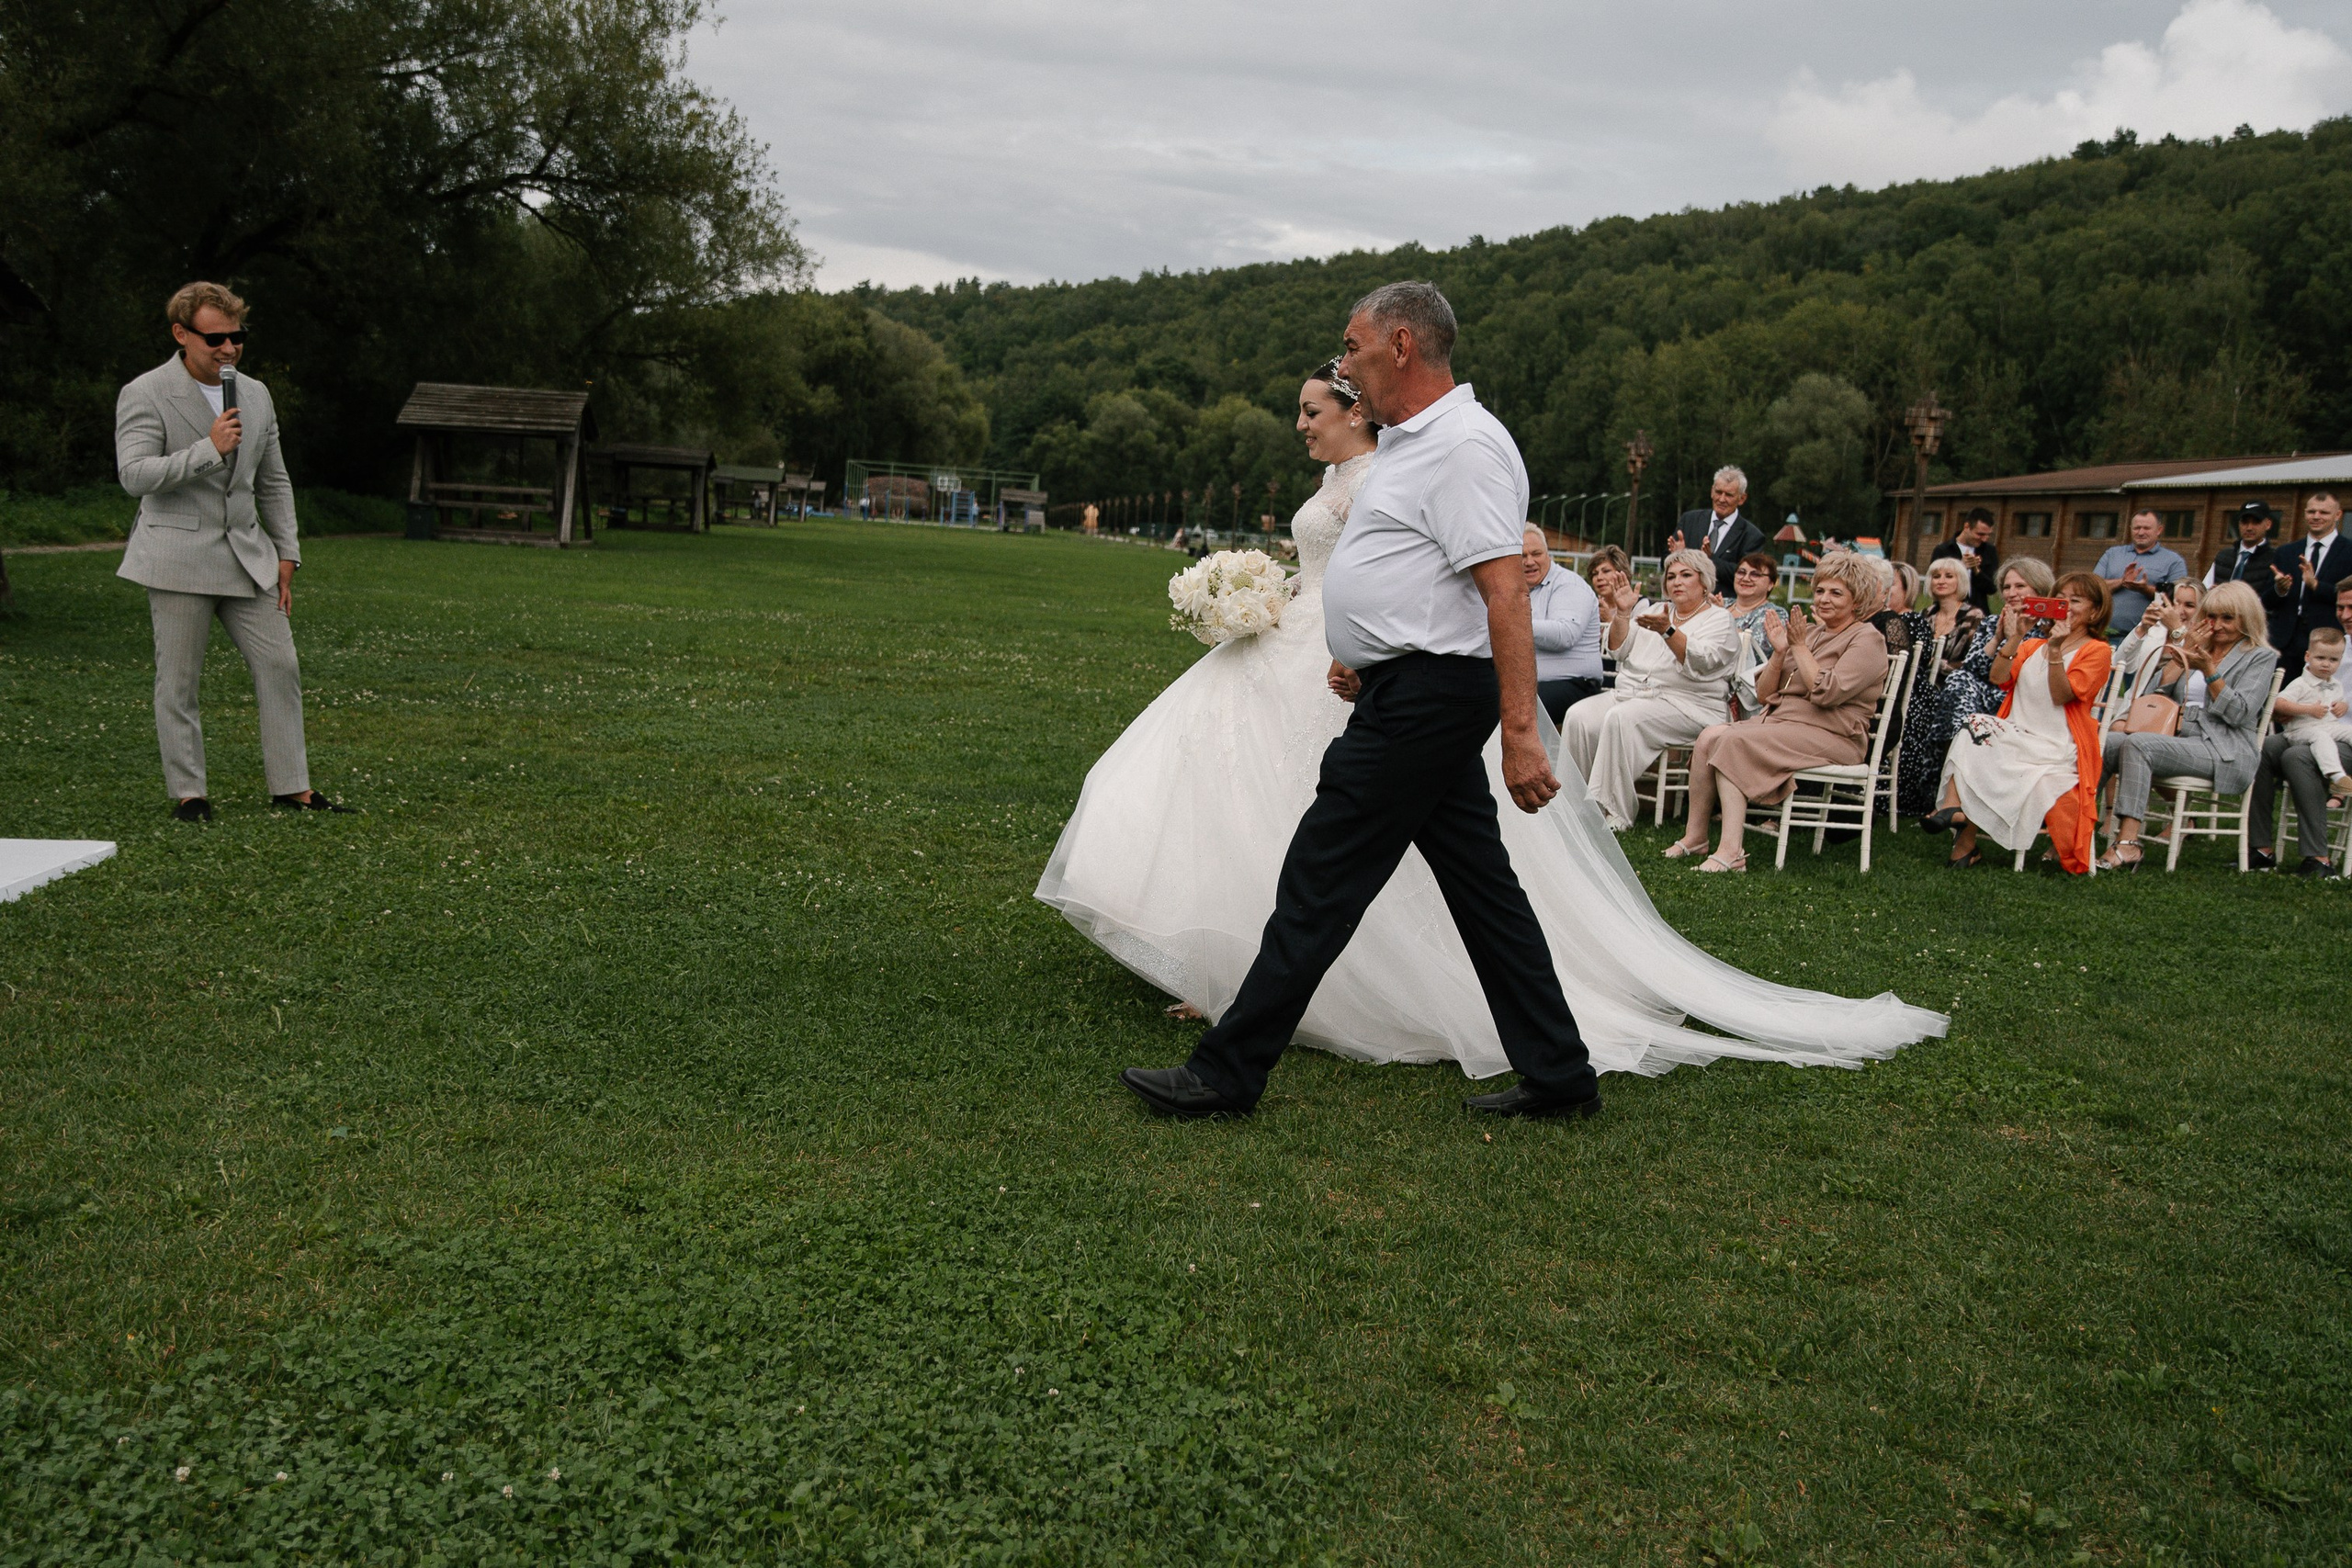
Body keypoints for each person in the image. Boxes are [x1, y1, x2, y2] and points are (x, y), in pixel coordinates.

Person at [1047, 288, 1944, 1122]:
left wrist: (1521, 732)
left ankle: (1226, 1070)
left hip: (1433, 696)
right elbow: (1415, 573)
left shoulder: (1469, 445)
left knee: (1320, 876)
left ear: (1402, 345)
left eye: (1354, 349)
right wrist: (1363, 648)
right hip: (1402, 683)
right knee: (1485, 893)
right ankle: (1559, 1073)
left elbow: (1501, 592)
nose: (1345, 365)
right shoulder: (1412, 443)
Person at [114, 281, 346, 820]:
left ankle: (292, 787)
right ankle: (189, 795)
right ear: (181, 333)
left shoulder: (257, 392)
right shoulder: (145, 392)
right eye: (215, 338)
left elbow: (275, 480)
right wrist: (207, 449)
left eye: (236, 337)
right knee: (179, 681)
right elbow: (134, 475)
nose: (229, 349)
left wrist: (287, 551)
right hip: (176, 558)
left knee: (280, 664)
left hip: (249, 556)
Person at [1666, 552, 1891, 873]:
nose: (1824, 599)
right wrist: (1781, 651)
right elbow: (1764, 693)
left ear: (1858, 600)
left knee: (1733, 740)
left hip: (1835, 734)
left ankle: (1731, 851)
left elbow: (1826, 693)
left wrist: (1797, 647)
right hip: (1785, 722)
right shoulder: (1811, 632)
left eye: (1836, 593)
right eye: (1820, 591)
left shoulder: (1868, 640)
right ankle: (1696, 836)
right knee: (1708, 737)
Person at [1925, 574, 2113, 873]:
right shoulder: (2033, 644)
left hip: (2055, 747)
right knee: (1975, 724)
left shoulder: (2097, 651)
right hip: (2017, 735)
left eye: (2075, 601)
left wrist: (2055, 650)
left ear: (2095, 611)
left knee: (1980, 746)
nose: (2066, 606)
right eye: (2061, 599)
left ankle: (1959, 825)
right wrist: (2015, 635)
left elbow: (2062, 694)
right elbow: (1999, 677)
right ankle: (1952, 807)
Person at [2097, 581, 2278, 871]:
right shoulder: (2198, 646)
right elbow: (2155, 695)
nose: (2217, 625)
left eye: (2227, 618)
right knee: (2107, 741)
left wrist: (2208, 670)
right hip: (2181, 739)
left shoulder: (2259, 656)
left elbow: (2239, 713)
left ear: (2247, 619)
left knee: (2139, 744)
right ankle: (2071, 832)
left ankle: (2128, 844)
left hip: (2224, 748)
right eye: (2212, 617)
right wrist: (2183, 655)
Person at [1558, 548, 1739, 829]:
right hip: (1632, 694)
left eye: (1685, 575)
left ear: (1705, 582)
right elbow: (1618, 649)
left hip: (1689, 704)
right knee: (1578, 715)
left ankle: (1614, 813)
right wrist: (1623, 613)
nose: (1676, 581)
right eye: (1671, 576)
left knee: (1622, 718)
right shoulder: (1656, 610)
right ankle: (1572, 804)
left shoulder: (1720, 620)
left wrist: (1669, 631)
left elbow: (1703, 662)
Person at [1894, 557, 1994, 816]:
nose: (1941, 581)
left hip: (1954, 689)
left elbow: (1972, 662)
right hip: (1922, 684)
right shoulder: (1925, 615)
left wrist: (1936, 666)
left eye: (1949, 576)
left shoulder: (1974, 616)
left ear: (1960, 581)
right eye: (1936, 575)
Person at [2266, 492, 2350, 679]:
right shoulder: (2286, 552)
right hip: (2283, 643)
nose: (2316, 516)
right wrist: (2279, 590)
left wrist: (2316, 586)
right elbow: (2265, 601)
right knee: (2275, 701)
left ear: (2338, 515)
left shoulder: (2349, 552)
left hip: (2325, 645)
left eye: (2324, 512)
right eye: (2311, 511)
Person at [1522, 526, 1602, 723]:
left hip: (1575, 685)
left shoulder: (1569, 585)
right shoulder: (1516, 590)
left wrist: (1513, 624)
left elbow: (1564, 635)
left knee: (1518, 708)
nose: (1529, 561)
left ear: (1548, 553)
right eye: (1521, 556)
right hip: (1530, 685)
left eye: (1536, 554)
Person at [2272, 626, 2352, 802]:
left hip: (2330, 726)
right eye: (2320, 658)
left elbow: (2340, 701)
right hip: (2301, 729)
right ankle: (2337, 777)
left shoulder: (2336, 684)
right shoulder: (2300, 683)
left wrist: (2342, 706)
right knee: (2321, 737)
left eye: (2333, 660)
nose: (2326, 664)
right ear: (2308, 657)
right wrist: (2308, 709)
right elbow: (2278, 703)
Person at [1668, 467, 1767, 596]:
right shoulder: (1689, 520)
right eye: (1718, 492)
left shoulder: (1752, 536)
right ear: (1711, 492)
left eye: (1729, 495)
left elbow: (1744, 576)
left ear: (1742, 499)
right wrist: (1678, 556)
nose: (1721, 499)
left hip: (1723, 606)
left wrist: (1710, 560)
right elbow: (1666, 561)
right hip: (1683, 604)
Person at [2095, 508, 2189, 638]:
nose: (2140, 532)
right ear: (2130, 529)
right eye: (2136, 528)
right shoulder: (2112, 554)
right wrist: (2122, 581)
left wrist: (2145, 589)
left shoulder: (2174, 561)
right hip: (2104, 634)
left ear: (2159, 530)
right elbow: (2092, 588)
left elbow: (2178, 599)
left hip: (2148, 638)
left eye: (2146, 528)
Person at [1725, 553, 1781, 718]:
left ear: (1771, 584)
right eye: (1741, 572)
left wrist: (1719, 623)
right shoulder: (1721, 604)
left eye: (1755, 574)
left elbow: (1756, 653)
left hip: (1742, 691)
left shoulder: (1773, 613)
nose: (1746, 578)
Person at [1930, 509, 2002, 611]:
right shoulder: (1943, 550)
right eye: (1980, 534)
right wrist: (1960, 567)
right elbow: (1934, 585)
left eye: (1988, 535)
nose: (1984, 539)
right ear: (1967, 527)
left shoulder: (1989, 551)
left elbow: (1992, 588)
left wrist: (1976, 571)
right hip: (1948, 612)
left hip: (1979, 612)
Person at [2205, 500, 2276, 588]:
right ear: (2239, 524)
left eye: (2256, 522)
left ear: (2268, 524)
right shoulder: (2223, 557)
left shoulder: (2274, 559)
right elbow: (2205, 588)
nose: (2249, 528)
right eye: (2245, 522)